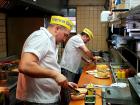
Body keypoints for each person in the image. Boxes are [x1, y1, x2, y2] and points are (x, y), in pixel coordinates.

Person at [16, 16, 77, 105]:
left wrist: (64, 82)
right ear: (57, 29)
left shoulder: (50, 40)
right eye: (65, 35)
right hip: (38, 100)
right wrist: (55, 75)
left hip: (46, 98)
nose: (64, 40)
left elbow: (46, 66)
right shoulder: (41, 37)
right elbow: (25, 65)